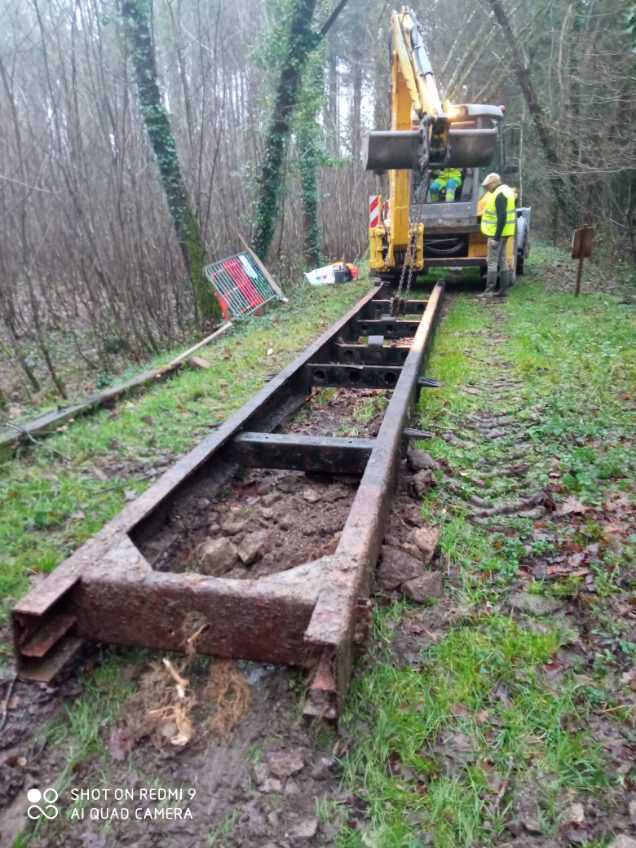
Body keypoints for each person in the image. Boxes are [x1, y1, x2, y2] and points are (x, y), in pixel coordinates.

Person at [479, 172, 516, 297]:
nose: (486, 188)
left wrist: (495, 237)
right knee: (502, 260)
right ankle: (503, 290)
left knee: (492, 261)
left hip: (497, 233)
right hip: (505, 232)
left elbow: (502, 216)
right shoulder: (506, 191)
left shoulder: (499, 194)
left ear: (494, 183)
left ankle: (489, 290)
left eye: (487, 185)